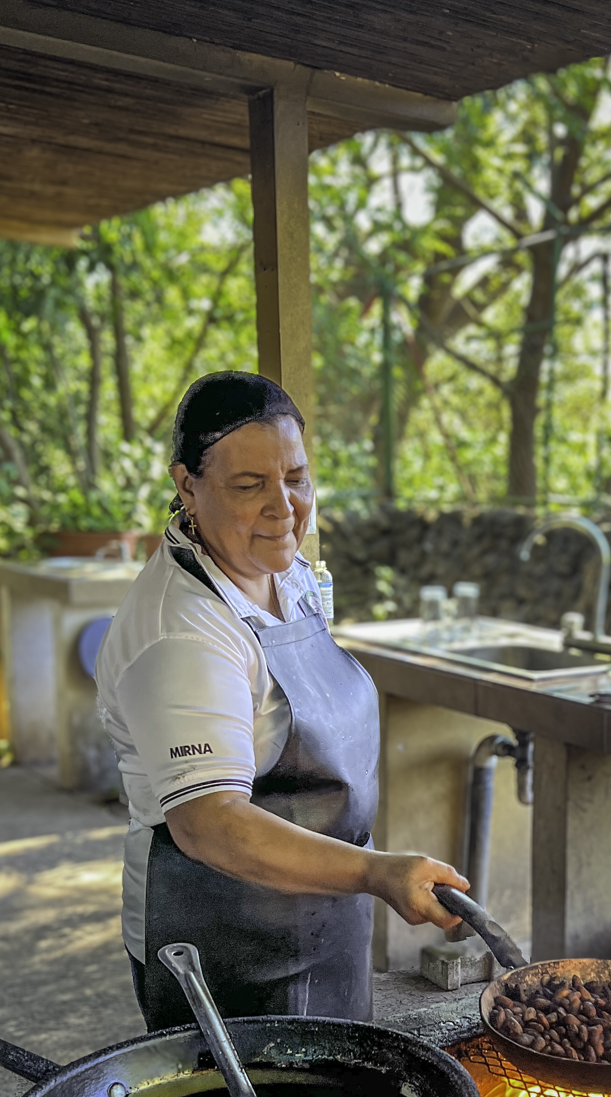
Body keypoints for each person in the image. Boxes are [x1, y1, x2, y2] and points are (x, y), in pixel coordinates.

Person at [96, 370, 466, 1030]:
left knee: (334, 1089)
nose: (284, 508)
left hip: (324, 912)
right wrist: (375, 872)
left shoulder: (285, 571)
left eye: (296, 478)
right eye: (249, 486)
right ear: (187, 485)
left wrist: (364, 875)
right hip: (223, 947)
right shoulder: (181, 633)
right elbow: (210, 823)